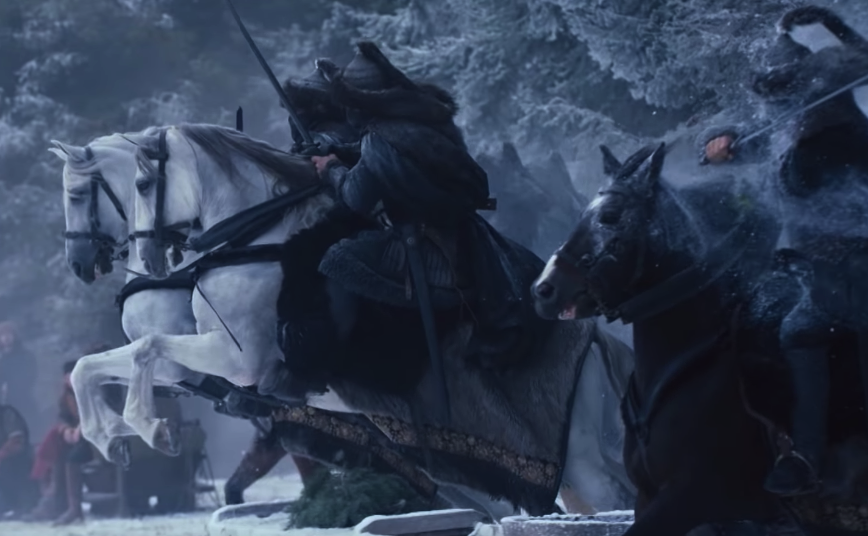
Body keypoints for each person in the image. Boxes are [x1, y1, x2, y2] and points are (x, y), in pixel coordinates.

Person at [265, 41, 549, 406]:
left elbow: (356, 195)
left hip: (426, 241)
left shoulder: (382, 139)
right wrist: (341, 154)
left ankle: (320, 368)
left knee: (337, 259)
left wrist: (331, 168)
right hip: (460, 230)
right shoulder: (419, 116)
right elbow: (386, 157)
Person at [703, 6, 868, 496]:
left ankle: (814, 455)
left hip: (859, 267)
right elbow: (737, 142)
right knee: (787, 329)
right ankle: (802, 454)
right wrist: (721, 140)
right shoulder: (784, 132)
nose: (781, 105)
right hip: (817, 275)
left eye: (789, 92)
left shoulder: (844, 131)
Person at [0, 321, 38, 428]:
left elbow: (31, 375)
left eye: (8, 334)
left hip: (25, 398)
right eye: (2, 335)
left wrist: (16, 386)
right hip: (8, 401)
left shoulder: (26, 356)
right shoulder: (2, 360)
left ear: (14, 336)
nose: (6, 338)